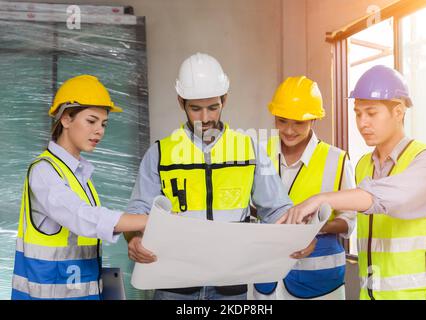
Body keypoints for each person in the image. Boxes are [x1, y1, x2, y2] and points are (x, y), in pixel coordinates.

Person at [124, 53, 316, 300]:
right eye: (196, 108)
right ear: (181, 102)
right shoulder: (160, 153)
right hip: (174, 282)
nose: (205, 118)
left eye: (213, 107)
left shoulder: (250, 150)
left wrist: (298, 237)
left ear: (224, 99)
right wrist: (135, 239)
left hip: (230, 283)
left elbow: (276, 209)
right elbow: (138, 210)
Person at [280, 65, 426, 300]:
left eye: (371, 113)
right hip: (372, 295)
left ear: (399, 112)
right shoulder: (363, 165)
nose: (362, 123)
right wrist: (310, 223)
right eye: (358, 113)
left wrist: (319, 198)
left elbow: (384, 197)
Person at [11, 75, 149, 300]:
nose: (100, 131)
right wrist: (148, 220)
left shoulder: (80, 175)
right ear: (66, 119)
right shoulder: (44, 171)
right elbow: (83, 217)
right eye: (91, 121)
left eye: (104, 124)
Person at [253, 76, 356, 300]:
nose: (289, 130)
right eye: (282, 121)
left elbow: (348, 221)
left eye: (298, 122)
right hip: (267, 277)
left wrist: (312, 228)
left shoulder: (336, 159)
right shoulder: (259, 153)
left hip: (318, 281)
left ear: (314, 120)